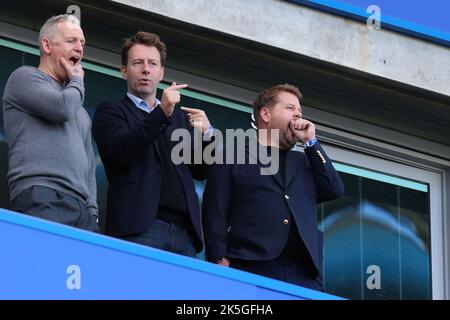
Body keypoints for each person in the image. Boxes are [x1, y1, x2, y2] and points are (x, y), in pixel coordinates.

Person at [202, 84, 344, 290]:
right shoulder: (233, 155)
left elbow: (334, 189)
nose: (297, 114)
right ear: (266, 114)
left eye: (299, 111)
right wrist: (218, 260)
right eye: (290, 108)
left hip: (303, 275)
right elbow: (214, 211)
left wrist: (311, 143)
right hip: (250, 266)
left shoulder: (306, 161)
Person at [92, 31, 212, 257]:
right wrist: (161, 113)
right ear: (124, 71)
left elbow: (202, 170)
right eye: (138, 63)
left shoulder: (179, 118)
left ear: (161, 72)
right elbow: (121, 151)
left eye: (152, 64)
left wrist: (208, 134)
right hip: (139, 228)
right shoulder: (111, 111)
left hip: (184, 233)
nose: (146, 69)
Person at [2, 14, 99, 231]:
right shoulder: (24, 77)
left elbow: (89, 166)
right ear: (47, 45)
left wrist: (93, 213)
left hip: (82, 210)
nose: (79, 48)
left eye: (82, 43)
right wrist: (77, 81)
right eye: (71, 41)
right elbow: (60, 108)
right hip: (42, 193)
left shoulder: (81, 111)